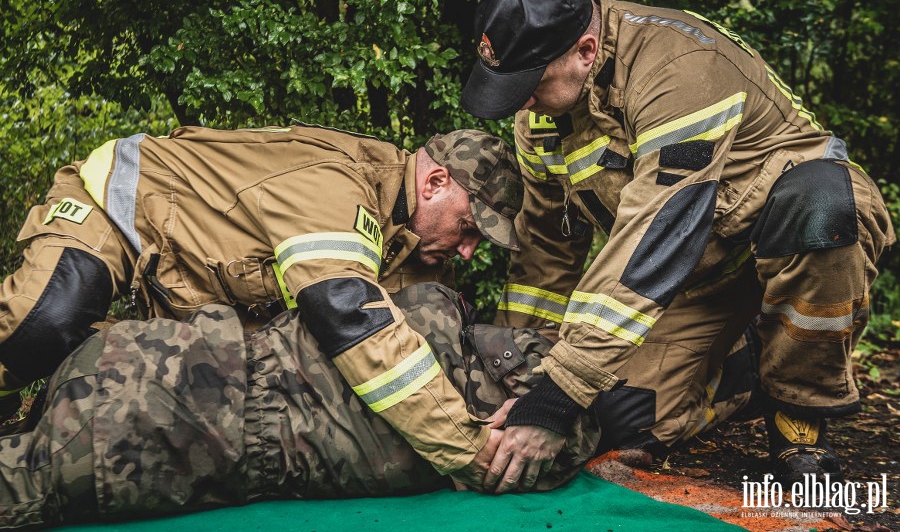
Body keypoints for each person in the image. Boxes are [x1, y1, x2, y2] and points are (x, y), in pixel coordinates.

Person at [459, 0, 895, 490]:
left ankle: (797, 411)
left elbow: (657, 234)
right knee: (618, 418)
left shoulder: (681, 69)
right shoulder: (540, 119)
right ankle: (751, 361)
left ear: (586, 51)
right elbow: (547, 249)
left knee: (823, 206)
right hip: (693, 281)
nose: (522, 104)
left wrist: (557, 395)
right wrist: (526, 369)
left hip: (785, 237)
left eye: (530, 84)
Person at [0, 123, 524, 488]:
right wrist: (464, 448)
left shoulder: (418, 246)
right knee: (44, 323)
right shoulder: (337, 186)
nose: (468, 250)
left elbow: (429, 345)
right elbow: (349, 317)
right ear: (434, 183)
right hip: (123, 203)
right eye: (469, 229)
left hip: (199, 288)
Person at [0, 282, 601, 528]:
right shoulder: (462, 436)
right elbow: (514, 457)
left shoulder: (417, 305)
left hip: (147, 350)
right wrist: (577, 418)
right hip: (149, 442)